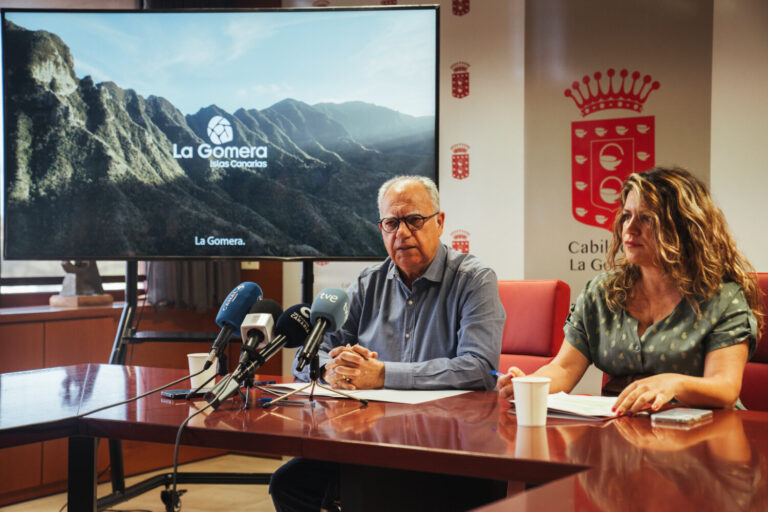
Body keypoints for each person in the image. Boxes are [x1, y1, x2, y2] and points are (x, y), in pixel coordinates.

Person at [270, 175, 506, 512]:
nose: (403, 233)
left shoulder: (474, 280)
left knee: (381, 494)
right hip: (368, 438)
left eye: (414, 220)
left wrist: (382, 374)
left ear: (439, 223)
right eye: (392, 223)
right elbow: (306, 358)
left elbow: (479, 369)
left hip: (446, 444)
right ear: (381, 229)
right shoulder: (368, 283)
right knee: (288, 485)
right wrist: (333, 369)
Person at [498, 166, 762, 416]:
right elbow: (564, 367)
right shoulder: (601, 292)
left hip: (707, 436)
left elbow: (725, 388)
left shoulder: (722, 298)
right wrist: (530, 384)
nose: (630, 228)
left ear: (684, 228)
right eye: (627, 215)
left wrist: (673, 383)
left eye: (646, 218)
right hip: (622, 431)